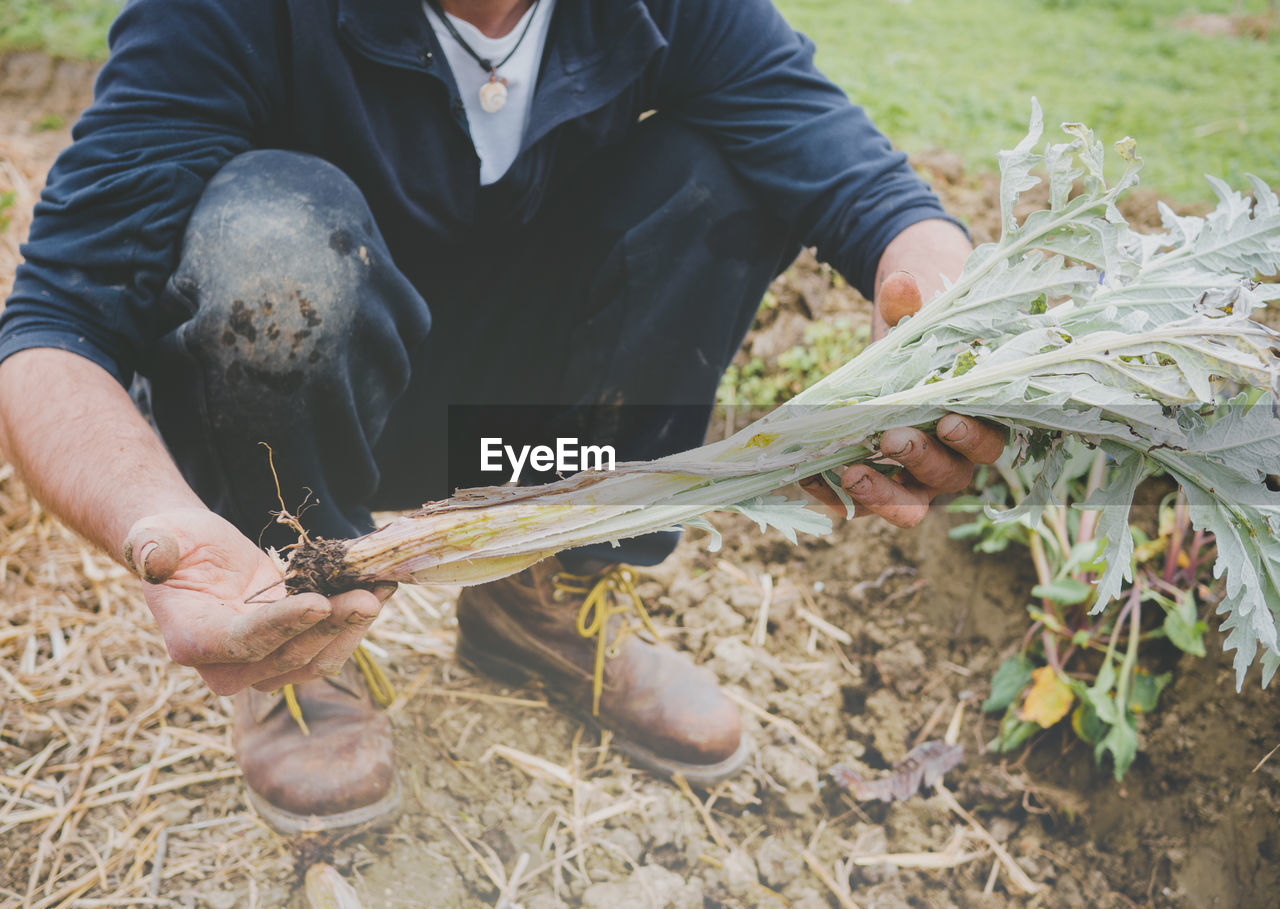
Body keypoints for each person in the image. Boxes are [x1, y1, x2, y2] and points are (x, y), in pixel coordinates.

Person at [0, 0, 1005, 834]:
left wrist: (940, 316)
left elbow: (866, 190)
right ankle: (290, 624)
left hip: (522, 443)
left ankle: (547, 591)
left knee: (728, 166)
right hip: (319, 416)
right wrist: (158, 529)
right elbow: (55, 323)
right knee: (269, 234)